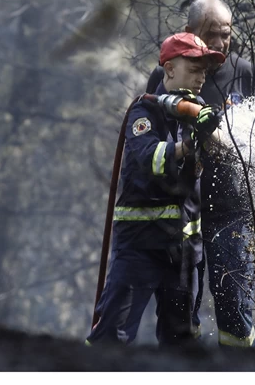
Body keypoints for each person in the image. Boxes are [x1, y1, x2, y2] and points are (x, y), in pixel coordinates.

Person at [85, 32, 224, 347]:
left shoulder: (199, 111)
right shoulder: (143, 111)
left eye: (205, 70)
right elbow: (151, 159)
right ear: (170, 68)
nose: (202, 76)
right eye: (195, 68)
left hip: (184, 253)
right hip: (140, 246)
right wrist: (188, 145)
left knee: (182, 344)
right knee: (111, 338)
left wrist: (214, 141)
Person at [147, 0, 255, 347]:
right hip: (180, 212)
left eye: (225, 34)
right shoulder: (165, 75)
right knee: (177, 311)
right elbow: (147, 142)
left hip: (233, 213)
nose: (218, 43)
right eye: (209, 34)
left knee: (234, 305)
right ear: (189, 33)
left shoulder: (248, 75)